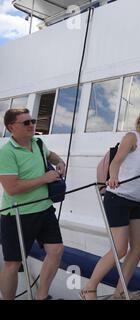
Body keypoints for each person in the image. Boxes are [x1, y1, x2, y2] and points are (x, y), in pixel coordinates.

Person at [80, 107, 140, 300]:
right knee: (120, 249)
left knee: (139, 246)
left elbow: (134, 166)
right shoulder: (131, 137)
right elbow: (116, 162)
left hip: (135, 201)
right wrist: (114, 177)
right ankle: (88, 289)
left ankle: (120, 293)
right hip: (117, 198)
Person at [0, 108, 65, 300]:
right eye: (26, 123)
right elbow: (11, 188)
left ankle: (41, 296)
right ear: (12, 127)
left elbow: (51, 155)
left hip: (44, 209)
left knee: (56, 250)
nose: (32, 125)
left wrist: (60, 162)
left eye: (33, 121)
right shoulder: (6, 153)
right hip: (17, 215)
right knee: (13, 264)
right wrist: (44, 178)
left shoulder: (37, 143)